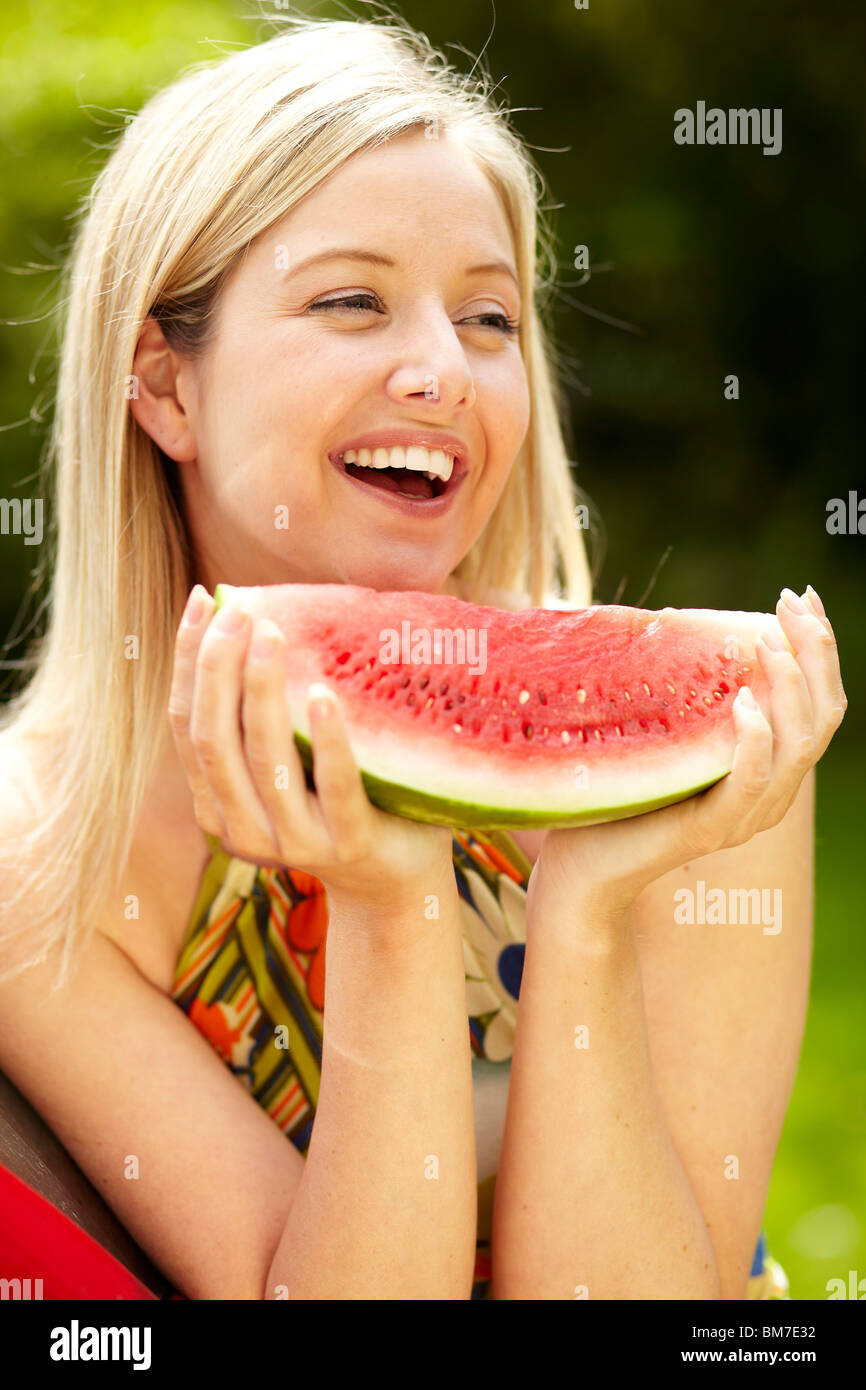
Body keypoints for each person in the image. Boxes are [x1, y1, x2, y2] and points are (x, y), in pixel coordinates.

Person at [0, 14, 846, 1301]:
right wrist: (394, 911)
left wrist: (586, 906)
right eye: (351, 300)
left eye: (489, 317)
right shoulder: (37, 849)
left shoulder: (720, 773)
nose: (445, 372)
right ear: (165, 387)